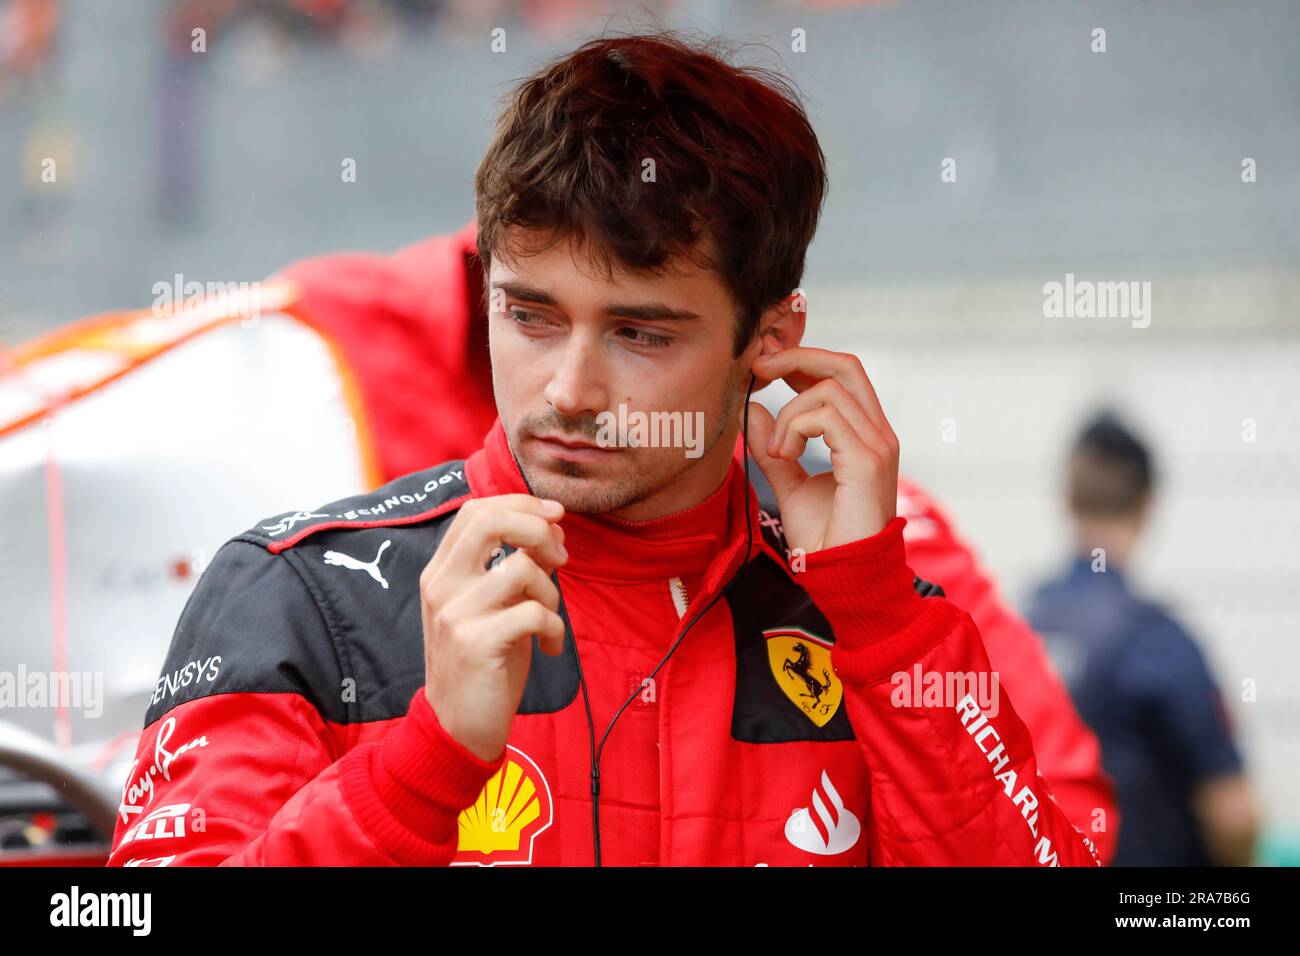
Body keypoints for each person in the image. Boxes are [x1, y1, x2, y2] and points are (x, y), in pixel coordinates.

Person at [107, 30, 1104, 867]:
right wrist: (424, 763)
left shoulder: (877, 624)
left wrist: (879, 614)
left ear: (771, 340)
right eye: (531, 315)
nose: (570, 390)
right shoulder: (300, 599)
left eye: (640, 333)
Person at [1027, 412, 1258, 866]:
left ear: (1068, 499)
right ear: (1148, 503)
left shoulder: (1021, 624)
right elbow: (1234, 813)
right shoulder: (1158, 641)